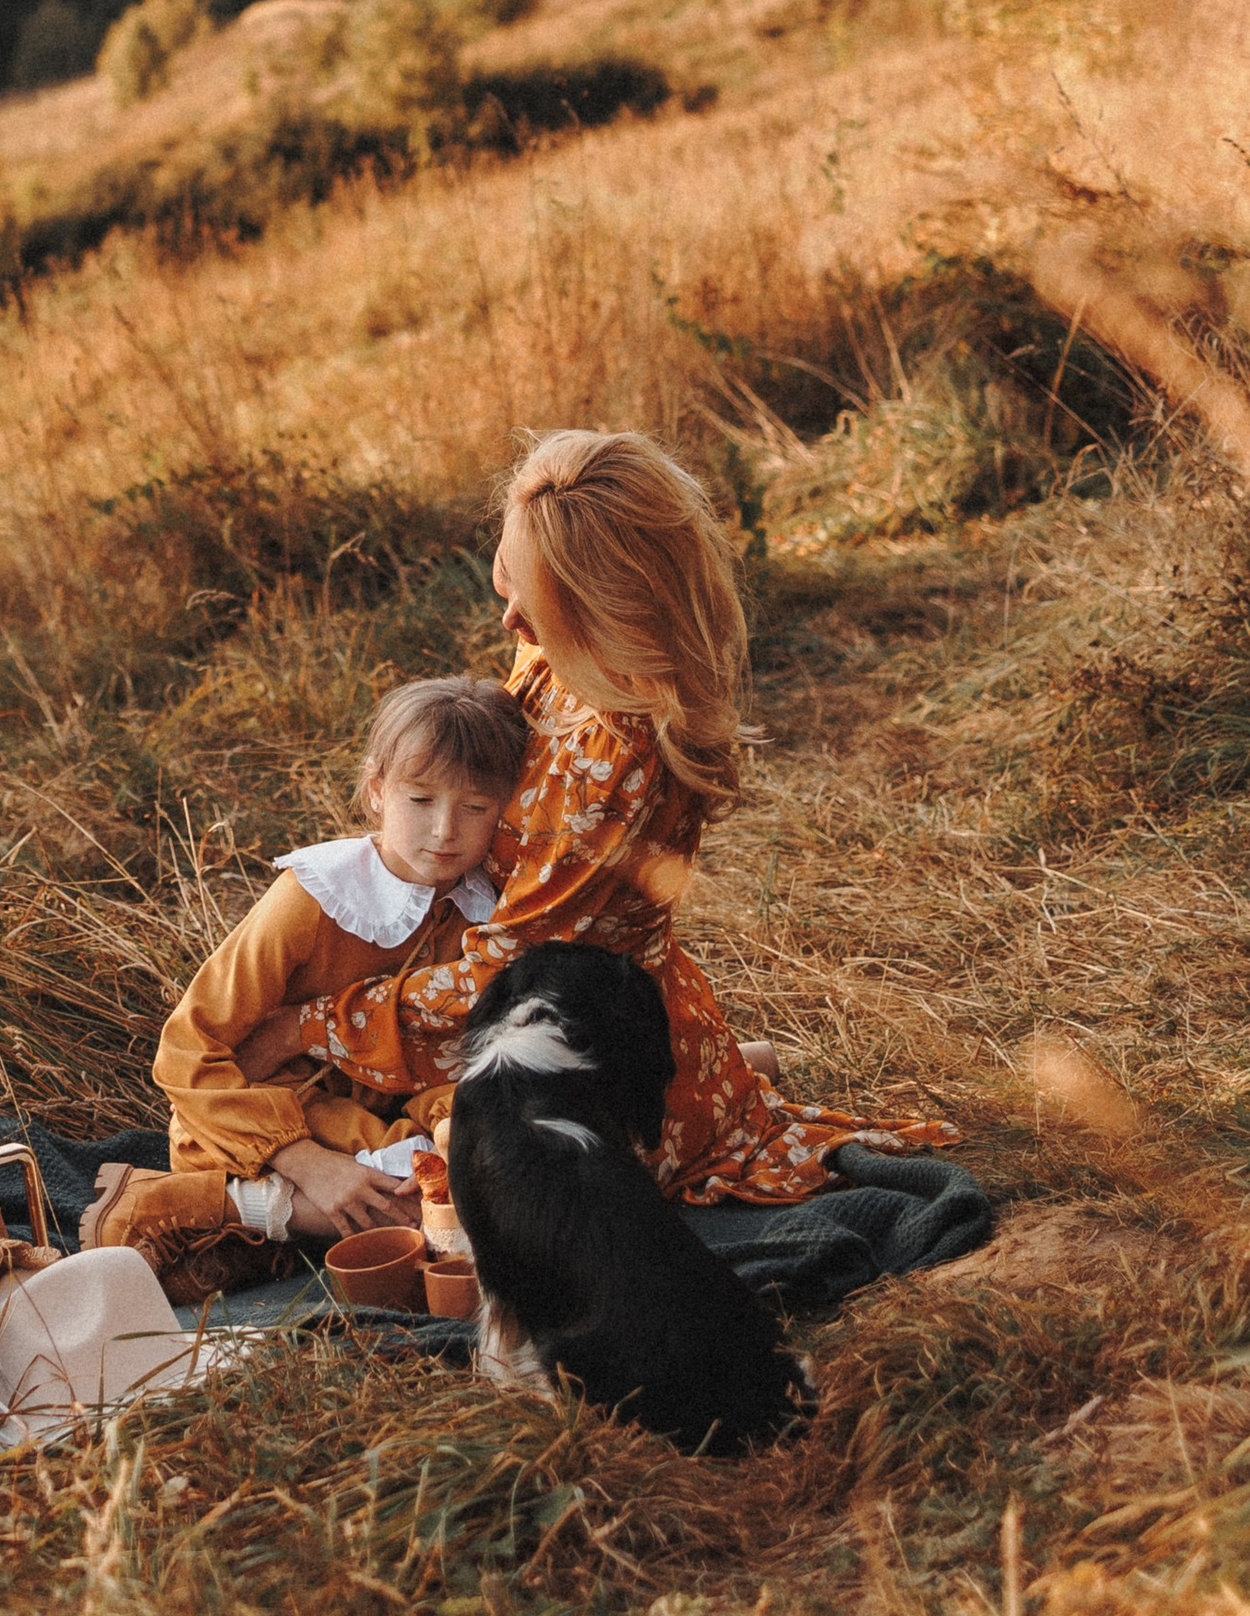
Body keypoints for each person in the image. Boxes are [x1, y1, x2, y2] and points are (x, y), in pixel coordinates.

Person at [265, 427, 948, 1202]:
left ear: (604, 609)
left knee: (410, 1196)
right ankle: (727, 1063)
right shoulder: (562, 652)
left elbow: (509, 978)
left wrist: (308, 1025)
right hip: (502, 990)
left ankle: (706, 1086)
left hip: (588, 1051)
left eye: (535, 604)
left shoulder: (618, 753)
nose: (510, 620)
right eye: (507, 579)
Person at [80, 673, 527, 1284]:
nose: (445, 830)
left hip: (380, 1119)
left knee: (484, 1182)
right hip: (263, 1113)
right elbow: (187, 1048)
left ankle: (255, 1229)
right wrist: (307, 1162)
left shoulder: (484, 910)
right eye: (421, 801)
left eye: (474, 808)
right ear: (378, 791)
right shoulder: (316, 897)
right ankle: (208, 1205)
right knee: (418, 1211)